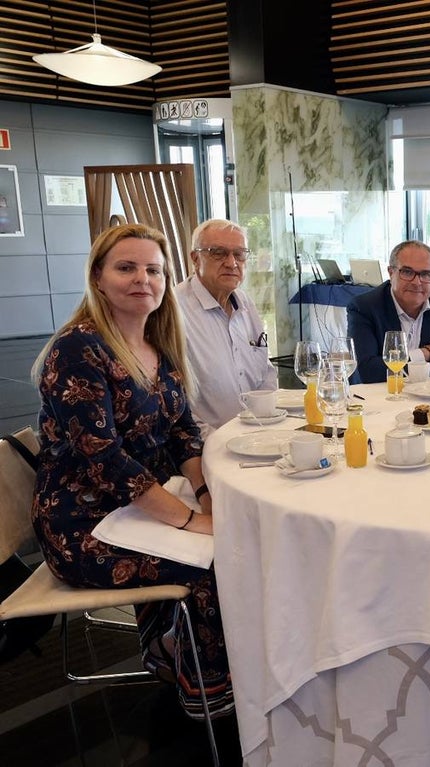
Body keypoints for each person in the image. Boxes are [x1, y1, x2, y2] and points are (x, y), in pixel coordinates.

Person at [30, 224, 232, 720]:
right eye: (126, 267)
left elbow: (184, 433)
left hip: (136, 506)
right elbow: (106, 461)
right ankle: (206, 692)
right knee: (220, 563)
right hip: (83, 524)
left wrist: (206, 497)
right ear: (98, 277)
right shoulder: (78, 349)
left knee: (237, 533)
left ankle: (179, 648)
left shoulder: (158, 346)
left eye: (154, 270)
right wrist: (187, 521)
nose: (143, 278)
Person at [175, 219, 277, 434]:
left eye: (239, 254)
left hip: (258, 437)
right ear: (195, 258)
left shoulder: (245, 302)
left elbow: (265, 373)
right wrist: (218, 442)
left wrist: (266, 426)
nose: (231, 263)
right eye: (218, 253)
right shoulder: (173, 311)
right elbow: (175, 403)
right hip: (205, 445)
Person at [348, 240, 430, 381]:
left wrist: (408, 368)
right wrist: (424, 354)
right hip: (380, 397)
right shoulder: (364, 307)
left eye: (425, 274)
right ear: (391, 272)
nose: (416, 282)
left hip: (429, 395)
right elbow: (368, 370)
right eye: (407, 272)